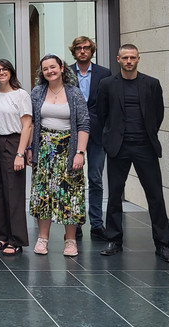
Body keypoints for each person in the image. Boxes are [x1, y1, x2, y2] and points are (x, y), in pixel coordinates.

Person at [97, 44, 169, 263]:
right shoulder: (107, 85)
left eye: (132, 57)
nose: (129, 61)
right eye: (125, 58)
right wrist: (110, 138)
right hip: (118, 148)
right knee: (114, 196)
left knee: (155, 196)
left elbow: (158, 114)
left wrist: (147, 135)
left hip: (144, 147)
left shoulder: (151, 84)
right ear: (118, 59)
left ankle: (163, 245)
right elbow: (102, 115)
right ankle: (114, 241)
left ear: (139, 59)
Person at [28, 54, 89, 257]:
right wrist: (29, 149)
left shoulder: (74, 93)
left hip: (68, 149)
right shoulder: (37, 92)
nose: (50, 71)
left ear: (62, 68)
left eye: (53, 67)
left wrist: (79, 152)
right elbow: (32, 123)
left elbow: (83, 124)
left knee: (70, 194)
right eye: (45, 69)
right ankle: (43, 238)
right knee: (42, 194)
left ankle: (70, 240)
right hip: (44, 149)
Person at [0, 59, 32, 256]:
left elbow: (27, 126)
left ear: (11, 71)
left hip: (13, 143)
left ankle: (17, 239)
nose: (1, 72)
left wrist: (20, 153)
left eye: (4, 69)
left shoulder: (21, 95)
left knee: (14, 193)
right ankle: (1, 236)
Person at [69, 36, 112, 240]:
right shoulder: (66, 72)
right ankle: (75, 223)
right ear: (74, 51)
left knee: (95, 178)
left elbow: (110, 104)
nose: (83, 51)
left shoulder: (104, 73)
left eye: (86, 48)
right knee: (74, 179)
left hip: (97, 132)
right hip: (71, 132)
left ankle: (96, 224)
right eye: (79, 48)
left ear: (92, 50)